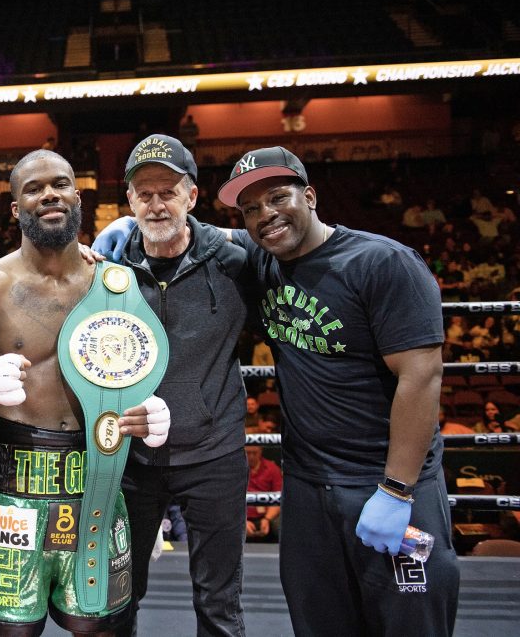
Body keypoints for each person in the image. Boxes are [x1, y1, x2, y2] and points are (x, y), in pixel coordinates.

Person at [218, 146, 459, 636]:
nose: (266, 215)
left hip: (389, 484)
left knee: (410, 625)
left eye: (278, 197)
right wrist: (130, 229)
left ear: (309, 195)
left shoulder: (383, 263)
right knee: (320, 625)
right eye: (251, 209)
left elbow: (421, 376)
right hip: (308, 489)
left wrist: (396, 490)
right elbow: (203, 236)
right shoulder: (266, 263)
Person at [0, 149, 170, 637]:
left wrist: (149, 409)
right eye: (34, 188)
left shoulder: (116, 285)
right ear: (15, 208)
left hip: (98, 479)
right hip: (15, 486)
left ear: (77, 196)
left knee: (100, 626)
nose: (49, 194)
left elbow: (139, 373)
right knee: (8, 631)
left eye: (61, 184)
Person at [94, 134, 252, 636]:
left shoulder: (237, 260)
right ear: (130, 201)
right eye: (145, 193)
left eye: (169, 191)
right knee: (117, 597)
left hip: (214, 453)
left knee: (219, 602)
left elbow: (301, 248)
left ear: (192, 196)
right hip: (132, 458)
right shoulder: (106, 269)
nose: (157, 204)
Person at [244, 444, 282, 543]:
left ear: (261, 451)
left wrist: (267, 519)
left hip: (267, 516)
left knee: (281, 524)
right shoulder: (234, 470)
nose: (251, 456)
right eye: (248, 453)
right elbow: (230, 500)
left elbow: (279, 499)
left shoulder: (272, 468)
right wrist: (242, 521)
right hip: (241, 517)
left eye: (254, 453)